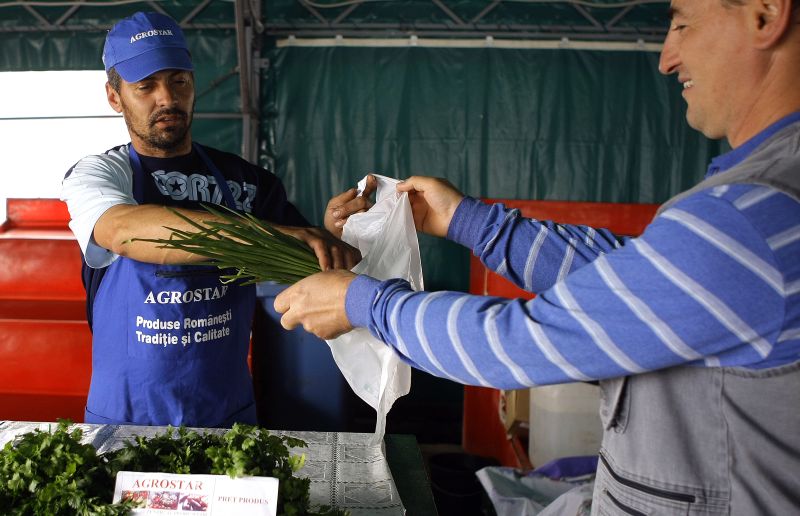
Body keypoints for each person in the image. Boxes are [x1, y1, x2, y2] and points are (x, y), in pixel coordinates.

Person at [276, 0, 800, 513]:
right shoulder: (768, 196)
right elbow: (623, 276)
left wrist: (368, 306)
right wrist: (469, 222)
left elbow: (520, 342)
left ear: (765, 14)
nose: (666, 58)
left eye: (682, 23)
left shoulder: (751, 218)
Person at [61, 11, 366, 428]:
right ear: (115, 97)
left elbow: (306, 268)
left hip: (226, 414)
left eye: (179, 81)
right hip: (126, 417)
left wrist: (331, 235)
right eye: (145, 86)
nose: (166, 98)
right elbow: (123, 231)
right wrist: (259, 232)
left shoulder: (249, 182)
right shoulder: (99, 174)